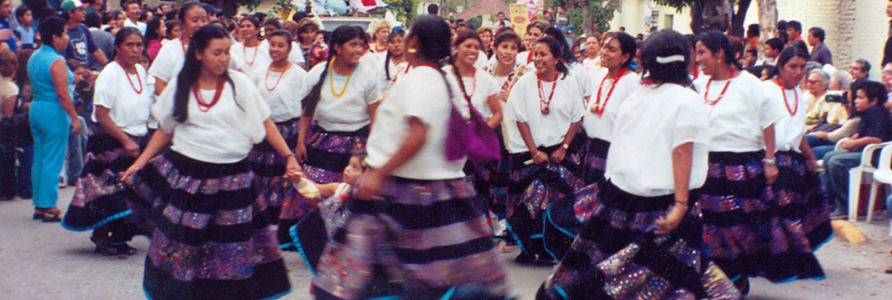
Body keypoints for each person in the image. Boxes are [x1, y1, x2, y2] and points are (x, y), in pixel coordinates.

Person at [312, 15, 511, 299]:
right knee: (426, 275)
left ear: (413, 42)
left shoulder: (421, 79)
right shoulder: (444, 79)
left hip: (407, 190)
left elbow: (419, 133)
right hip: (440, 190)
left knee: (375, 279)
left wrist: (379, 174)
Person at [538, 29, 741, 300]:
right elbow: (682, 151)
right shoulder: (686, 99)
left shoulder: (637, 97)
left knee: (621, 271)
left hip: (623, 200)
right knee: (659, 275)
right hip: (665, 203)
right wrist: (681, 204)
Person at [119, 25, 294, 300]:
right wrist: (141, 162)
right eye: (217, 52)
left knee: (230, 250)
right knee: (187, 248)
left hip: (234, 180)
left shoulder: (240, 84)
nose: (224, 58)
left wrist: (289, 156)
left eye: (227, 52)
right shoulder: (181, 85)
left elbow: (264, 122)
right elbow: (165, 129)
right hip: (191, 178)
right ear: (198, 53)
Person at [692, 31, 786, 294]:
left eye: (702, 52)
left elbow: (768, 124)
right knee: (710, 228)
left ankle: (737, 278)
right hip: (706, 167)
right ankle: (722, 281)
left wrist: (770, 160)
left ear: (719, 54)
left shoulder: (751, 84)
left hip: (741, 167)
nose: (697, 59)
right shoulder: (700, 85)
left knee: (738, 228)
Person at [285, 25, 381, 251]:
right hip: (322, 142)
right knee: (314, 190)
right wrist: (300, 141)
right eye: (353, 44)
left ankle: (348, 243)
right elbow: (307, 112)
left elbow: (375, 114)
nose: (358, 50)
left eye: (361, 45)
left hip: (357, 144)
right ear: (337, 47)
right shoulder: (317, 73)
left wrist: (374, 148)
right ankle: (312, 240)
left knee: (352, 193)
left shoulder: (368, 73)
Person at [61, 28, 150, 256]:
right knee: (113, 193)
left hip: (136, 139)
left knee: (131, 192)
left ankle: (113, 236)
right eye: (129, 45)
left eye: (139, 45)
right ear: (117, 48)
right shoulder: (110, 72)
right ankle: (109, 238)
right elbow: (101, 114)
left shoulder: (141, 70)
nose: (135, 50)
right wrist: (125, 140)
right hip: (110, 141)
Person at [505, 36, 586, 264]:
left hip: (561, 154)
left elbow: (576, 118)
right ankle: (531, 249)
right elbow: (519, 118)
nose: (538, 59)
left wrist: (564, 147)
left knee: (554, 201)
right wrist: (533, 151)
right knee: (533, 197)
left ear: (557, 58)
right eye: (535, 54)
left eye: (543, 54)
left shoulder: (569, 83)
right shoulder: (525, 82)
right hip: (533, 154)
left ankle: (554, 250)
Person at [755, 46, 831, 287]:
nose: (798, 72)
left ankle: (788, 257)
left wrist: (809, 158)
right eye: (792, 67)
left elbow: (797, 134)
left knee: (802, 208)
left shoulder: (798, 94)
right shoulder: (766, 90)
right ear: (780, 67)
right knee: (778, 213)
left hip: (793, 158)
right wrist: (769, 160)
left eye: (802, 67)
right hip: (770, 157)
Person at [247, 29, 308, 229]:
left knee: (282, 179)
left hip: (288, 133)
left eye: (281, 45)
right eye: (272, 44)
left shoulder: (299, 74)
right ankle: (261, 222)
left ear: (290, 48)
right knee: (260, 177)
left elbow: (306, 109)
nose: (275, 49)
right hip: (262, 133)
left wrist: (300, 140)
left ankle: (282, 225)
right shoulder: (258, 73)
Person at [27, 17, 82, 222]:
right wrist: (74, 118)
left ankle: (40, 204)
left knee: (40, 158)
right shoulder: (56, 60)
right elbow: (62, 93)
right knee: (53, 160)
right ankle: (49, 206)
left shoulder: (35, 56)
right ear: (55, 37)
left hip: (37, 108)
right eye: (65, 33)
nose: (67, 38)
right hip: (54, 111)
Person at [823, 80, 892, 219]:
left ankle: (845, 206)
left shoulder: (877, 112)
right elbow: (862, 133)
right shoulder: (869, 112)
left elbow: (876, 139)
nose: (855, 101)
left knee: (837, 162)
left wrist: (854, 143)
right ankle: (829, 201)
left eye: (860, 98)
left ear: (874, 101)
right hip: (865, 152)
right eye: (856, 97)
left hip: (876, 156)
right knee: (828, 156)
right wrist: (852, 140)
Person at [148, 2, 207, 96]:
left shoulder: (211, 48)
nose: (200, 25)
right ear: (181, 22)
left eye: (204, 20)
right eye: (195, 20)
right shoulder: (170, 49)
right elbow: (159, 86)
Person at [62, 0, 108, 70]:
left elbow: (96, 51)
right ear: (70, 13)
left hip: (86, 72)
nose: (84, 12)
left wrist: (107, 66)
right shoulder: (62, 32)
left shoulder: (83, 28)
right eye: (80, 10)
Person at [0, 48, 17, 200]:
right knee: (9, 148)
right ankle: (8, 191)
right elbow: (7, 115)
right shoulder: (10, 88)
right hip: (2, 128)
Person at [376, 28, 407, 94]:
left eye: (399, 41)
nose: (396, 45)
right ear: (387, 45)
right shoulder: (382, 64)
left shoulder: (413, 62)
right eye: (392, 42)